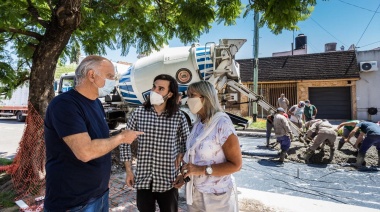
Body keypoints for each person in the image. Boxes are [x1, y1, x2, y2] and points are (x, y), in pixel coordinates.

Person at [44, 55, 143, 211]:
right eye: (110, 76)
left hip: (99, 194)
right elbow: (85, 151)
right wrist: (122, 137)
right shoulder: (65, 104)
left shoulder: (96, 103)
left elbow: (100, 142)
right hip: (74, 202)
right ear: (91, 75)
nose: (114, 81)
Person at [119, 74, 190, 212]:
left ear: (170, 94)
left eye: (160, 88)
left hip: (168, 181)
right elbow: (124, 142)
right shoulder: (138, 113)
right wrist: (129, 170)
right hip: (144, 180)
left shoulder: (179, 117)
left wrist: (183, 170)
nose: (155, 91)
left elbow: (188, 144)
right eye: (154, 86)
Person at [181, 81, 242, 212]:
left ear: (206, 97)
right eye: (188, 95)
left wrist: (202, 170)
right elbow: (196, 154)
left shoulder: (222, 124)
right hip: (195, 192)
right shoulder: (199, 123)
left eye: (192, 95)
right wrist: (185, 171)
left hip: (217, 197)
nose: (188, 100)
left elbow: (236, 165)